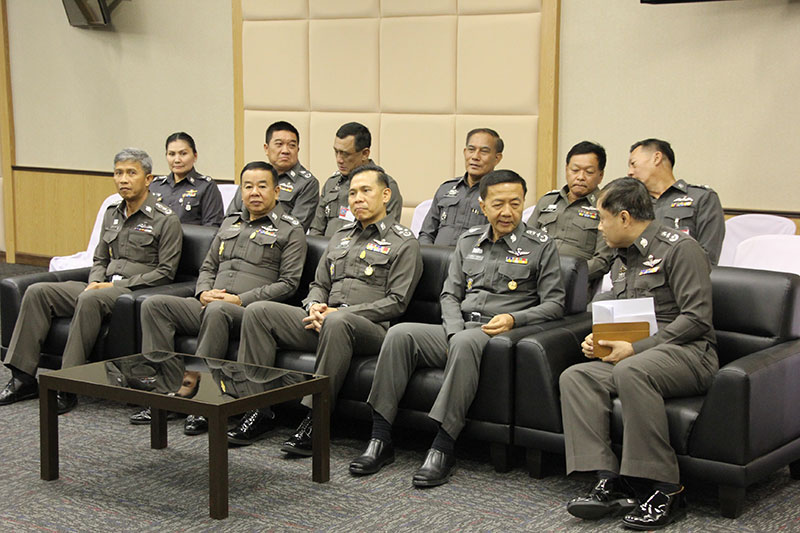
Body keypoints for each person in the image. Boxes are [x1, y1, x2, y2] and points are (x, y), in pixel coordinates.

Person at [351, 169, 565, 487]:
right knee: (400, 334)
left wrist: (514, 319)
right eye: (498, 204)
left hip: (499, 333)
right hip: (459, 329)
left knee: (465, 342)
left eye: (516, 203)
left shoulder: (541, 246)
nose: (507, 212)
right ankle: (380, 438)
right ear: (483, 205)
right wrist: (453, 330)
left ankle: (443, 445)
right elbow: (450, 295)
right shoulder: (468, 241)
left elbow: (555, 304)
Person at [560, 177, 718, 529]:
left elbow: (697, 318)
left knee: (631, 370)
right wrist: (599, 340)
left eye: (602, 219)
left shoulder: (680, 249)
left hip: (690, 353)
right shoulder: (620, 258)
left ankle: (667, 488)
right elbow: (623, 316)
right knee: (577, 376)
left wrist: (635, 349)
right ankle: (610, 480)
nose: (599, 228)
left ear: (624, 217)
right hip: (639, 355)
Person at [231, 163, 423, 450]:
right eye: (353, 193)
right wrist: (315, 305)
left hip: (369, 330)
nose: (357, 198)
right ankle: (257, 408)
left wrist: (339, 313)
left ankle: (316, 419)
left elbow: (397, 302)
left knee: (337, 323)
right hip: (325, 320)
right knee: (258, 311)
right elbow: (319, 283)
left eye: (366, 191)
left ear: (385, 195)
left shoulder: (404, 242)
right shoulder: (340, 236)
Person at [0, 148, 183, 414]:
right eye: (118, 173)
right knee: (38, 292)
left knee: (90, 298)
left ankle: (67, 384)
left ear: (148, 179)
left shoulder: (166, 219)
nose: (123, 179)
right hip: (99, 285)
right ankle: (23, 378)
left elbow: (166, 272)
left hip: (130, 291)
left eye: (131, 173)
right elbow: (99, 259)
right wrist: (95, 280)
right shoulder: (112, 213)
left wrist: (111, 286)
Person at [133, 161, 307, 434]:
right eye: (248, 186)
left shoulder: (291, 230)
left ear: (276, 191)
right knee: (155, 305)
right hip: (210, 302)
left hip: (247, 311)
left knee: (218, 311)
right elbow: (208, 267)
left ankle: (205, 400)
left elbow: (288, 284)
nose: (254, 192)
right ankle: (166, 394)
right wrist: (203, 292)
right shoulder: (230, 222)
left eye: (262, 186)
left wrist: (240, 300)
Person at [528, 141, 613, 287]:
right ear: (566, 169)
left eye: (589, 172)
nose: (580, 177)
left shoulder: (606, 207)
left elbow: (602, 261)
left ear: (601, 175)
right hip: (534, 278)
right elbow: (525, 243)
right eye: (575, 170)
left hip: (573, 284)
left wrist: (567, 274)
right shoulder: (547, 201)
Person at [627, 138, 724, 265]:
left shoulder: (701, 198)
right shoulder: (632, 204)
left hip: (685, 274)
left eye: (633, 164)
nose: (629, 172)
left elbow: (708, 257)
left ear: (656, 158)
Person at [309, 122, 404, 237]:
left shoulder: (384, 185)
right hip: (325, 247)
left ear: (365, 154)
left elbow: (385, 234)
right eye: (336, 152)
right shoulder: (332, 183)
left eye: (345, 154)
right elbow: (316, 230)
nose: (339, 159)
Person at [226, 121, 319, 231]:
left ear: (297, 150)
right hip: (241, 235)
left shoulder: (307, 183)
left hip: (276, 238)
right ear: (266, 148)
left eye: (292, 145)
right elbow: (230, 218)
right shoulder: (252, 176)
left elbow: (296, 228)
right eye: (279, 144)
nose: (285, 151)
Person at [418, 128, 504, 246]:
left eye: (484, 152)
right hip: (436, 256)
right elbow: (426, 234)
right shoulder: (446, 188)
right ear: (465, 152)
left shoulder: (500, 194)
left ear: (497, 158)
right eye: (471, 150)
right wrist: (428, 254)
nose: (475, 156)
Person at [149, 132, 225, 226]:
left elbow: (212, 227)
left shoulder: (206, 186)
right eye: (171, 154)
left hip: (189, 236)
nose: (177, 160)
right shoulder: (155, 185)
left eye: (183, 154)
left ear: (195, 156)